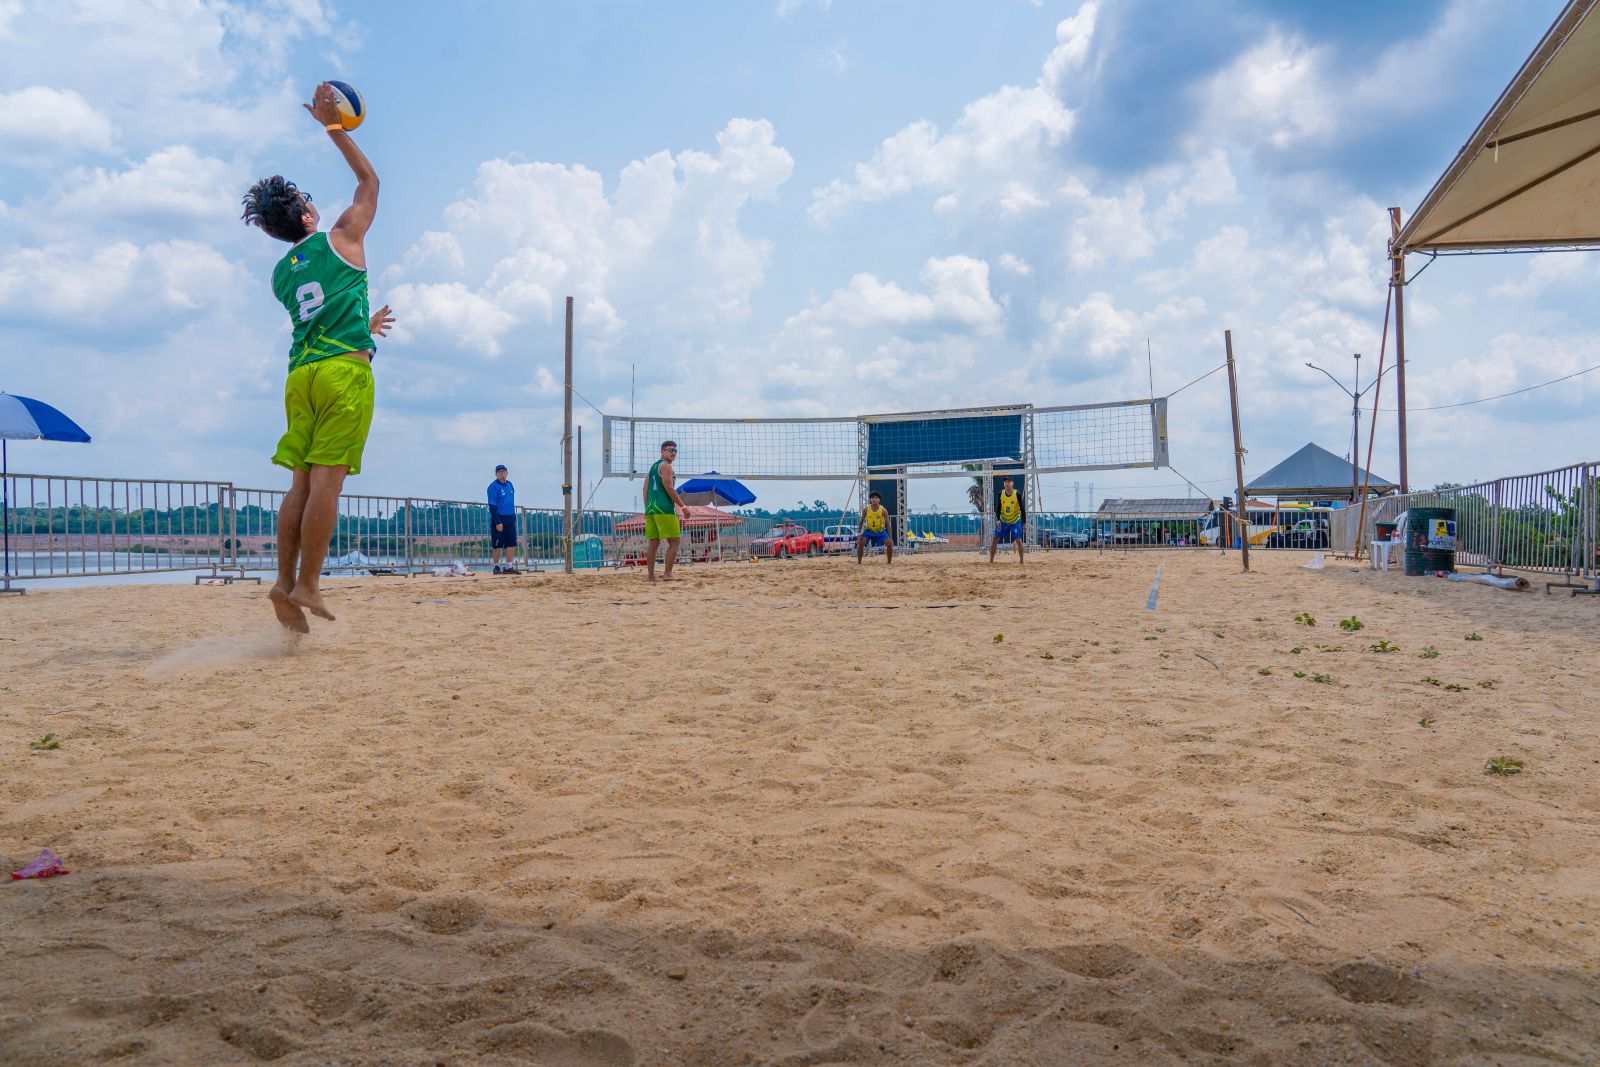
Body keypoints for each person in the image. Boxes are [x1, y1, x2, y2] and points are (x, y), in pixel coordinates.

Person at [242, 82, 391, 633]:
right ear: (305, 216)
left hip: (300, 375)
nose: (312, 203)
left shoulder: (282, 273)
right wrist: (333, 128)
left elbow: (320, 314)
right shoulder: (340, 235)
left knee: (300, 483)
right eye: (306, 201)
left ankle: (284, 581)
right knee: (327, 481)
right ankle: (309, 583)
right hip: (341, 373)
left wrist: (365, 327)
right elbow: (370, 182)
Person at [644, 440, 690, 582]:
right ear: (662, 451)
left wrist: (647, 508)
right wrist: (683, 506)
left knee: (653, 543)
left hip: (651, 509)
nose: (673, 452)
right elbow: (669, 488)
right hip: (664, 509)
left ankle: (651, 577)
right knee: (674, 542)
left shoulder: (653, 468)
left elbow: (645, 489)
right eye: (670, 450)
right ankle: (668, 574)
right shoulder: (666, 466)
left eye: (675, 450)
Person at [487, 464, 519, 574]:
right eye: (500, 472)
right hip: (499, 518)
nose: (502, 473)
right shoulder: (493, 486)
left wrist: (514, 517)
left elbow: (510, 501)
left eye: (504, 471)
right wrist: (497, 521)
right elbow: (492, 506)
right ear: (496, 474)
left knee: (511, 543)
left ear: (507, 473)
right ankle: (496, 567)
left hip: (510, 517)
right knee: (497, 544)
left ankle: (508, 567)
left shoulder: (510, 485)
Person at [989, 476, 1026, 564]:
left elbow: (1022, 509)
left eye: (1009, 482)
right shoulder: (1000, 494)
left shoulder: (1017, 494)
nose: (1007, 483)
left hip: (1015, 520)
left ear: (1012, 483)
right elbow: (998, 508)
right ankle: (991, 560)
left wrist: (1024, 523)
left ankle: (1021, 561)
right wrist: (998, 519)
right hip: (1003, 520)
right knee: (995, 539)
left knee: (1018, 540)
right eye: (1005, 482)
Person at [856, 491, 893, 564]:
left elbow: (888, 524)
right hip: (869, 531)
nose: (874, 499)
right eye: (872, 498)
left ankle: (889, 562)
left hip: (880, 531)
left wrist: (890, 537)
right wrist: (859, 534)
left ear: (879, 500)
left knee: (889, 543)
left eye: (876, 498)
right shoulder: (866, 509)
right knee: (861, 542)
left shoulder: (883, 510)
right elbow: (861, 522)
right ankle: (859, 562)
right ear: (870, 500)